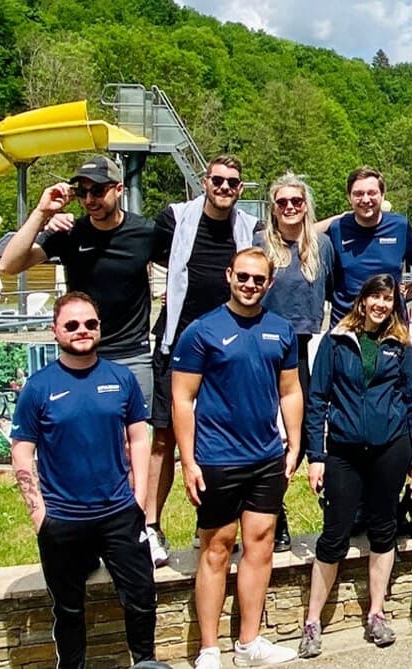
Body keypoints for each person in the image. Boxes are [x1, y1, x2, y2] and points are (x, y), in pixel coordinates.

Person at [10, 292, 157, 669]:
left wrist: (140, 496)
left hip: (120, 512)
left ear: (99, 328)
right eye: (72, 325)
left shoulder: (120, 378)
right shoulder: (39, 387)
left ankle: (145, 662)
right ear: (55, 330)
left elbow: (140, 438)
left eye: (90, 324)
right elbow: (22, 450)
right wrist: (38, 513)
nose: (82, 331)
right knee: (69, 608)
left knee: (141, 596)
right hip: (62, 520)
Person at [172, 248, 303, 668]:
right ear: (230, 276)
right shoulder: (201, 331)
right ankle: (209, 648)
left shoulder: (281, 330)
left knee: (260, 546)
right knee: (216, 549)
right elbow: (182, 398)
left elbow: (290, 391)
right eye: (243, 277)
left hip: (266, 456)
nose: (249, 285)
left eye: (258, 280)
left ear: (269, 283)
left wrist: (294, 443)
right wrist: (189, 461)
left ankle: (249, 643)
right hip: (217, 458)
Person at [299, 273, 412, 652]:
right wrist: (316, 456)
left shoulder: (400, 345)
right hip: (344, 450)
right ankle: (311, 622)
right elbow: (317, 400)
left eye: (388, 299)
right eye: (376, 297)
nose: (381, 305)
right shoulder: (337, 342)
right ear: (363, 299)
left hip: (391, 447)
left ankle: (376, 614)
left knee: (383, 528)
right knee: (334, 533)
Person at [146, 155, 259, 567]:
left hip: (227, 348)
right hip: (178, 342)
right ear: (204, 181)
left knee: (218, 438)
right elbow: (136, 246)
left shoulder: (248, 227)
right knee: (164, 437)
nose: (225, 187)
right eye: (218, 180)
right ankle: (150, 526)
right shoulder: (175, 219)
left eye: (232, 182)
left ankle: (206, 526)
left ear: (241, 189)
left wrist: (335, 219)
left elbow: (293, 234)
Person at [0, 155, 155, 410]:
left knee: (132, 440)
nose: (89, 200)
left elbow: (184, 266)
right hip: (79, 352)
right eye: (82, 192)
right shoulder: (69, 233)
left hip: (132, 355)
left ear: (118, 189)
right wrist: (42, 214)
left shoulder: (145, 232)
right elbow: (9, 265)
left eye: (97, 190)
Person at [255, 173, 333, 553]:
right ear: (273, 206)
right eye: (282, 202)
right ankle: (271, 513)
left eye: (296, 202)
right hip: (264, 348)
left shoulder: (321, 247)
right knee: (267, 434)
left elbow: (336, 291)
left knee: (299, 435)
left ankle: (286, 500)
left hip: (301, 348)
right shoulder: (261, 245)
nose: (289, 207)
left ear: (306, 206)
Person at [325, 167, 412, 323]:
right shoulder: (337, 228)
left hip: (390, 323)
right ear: (349, 197)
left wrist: (404, 294)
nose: (366, 199)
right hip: (346, 322)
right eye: (358, 194)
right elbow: (304, 237)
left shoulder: (400, 226)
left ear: (382, 195)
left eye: (372, 193)